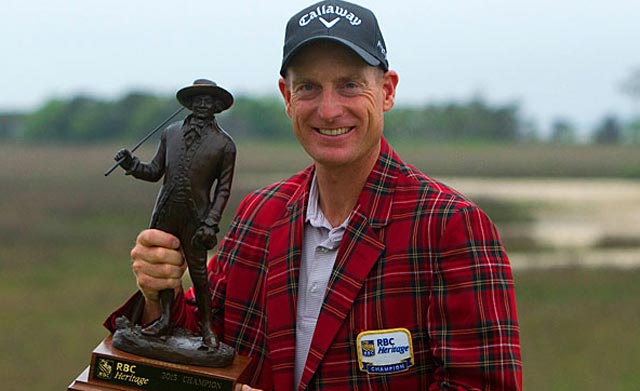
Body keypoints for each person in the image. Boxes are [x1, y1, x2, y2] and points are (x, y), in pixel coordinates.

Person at [106, 1, 522, 390]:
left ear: (387, 91)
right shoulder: (260, 215)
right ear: (287, 98)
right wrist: (159, 294)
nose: (328, 109)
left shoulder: (450, 227)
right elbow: (199, 340)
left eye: (349, 85)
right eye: (308, 87)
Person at [112, 79, 236, 348]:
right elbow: (155, 171)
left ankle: (207, 330)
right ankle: (166, 319)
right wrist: (132, 164)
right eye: (198, 99)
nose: (202, 104)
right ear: (189, 103)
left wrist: (211, 223)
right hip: (166, 212)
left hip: (197, 219)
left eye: (208, 100)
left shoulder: (224, 145)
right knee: (166, 270)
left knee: (199, 275)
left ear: (217, 107)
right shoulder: (171, 133)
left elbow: (223, 191)